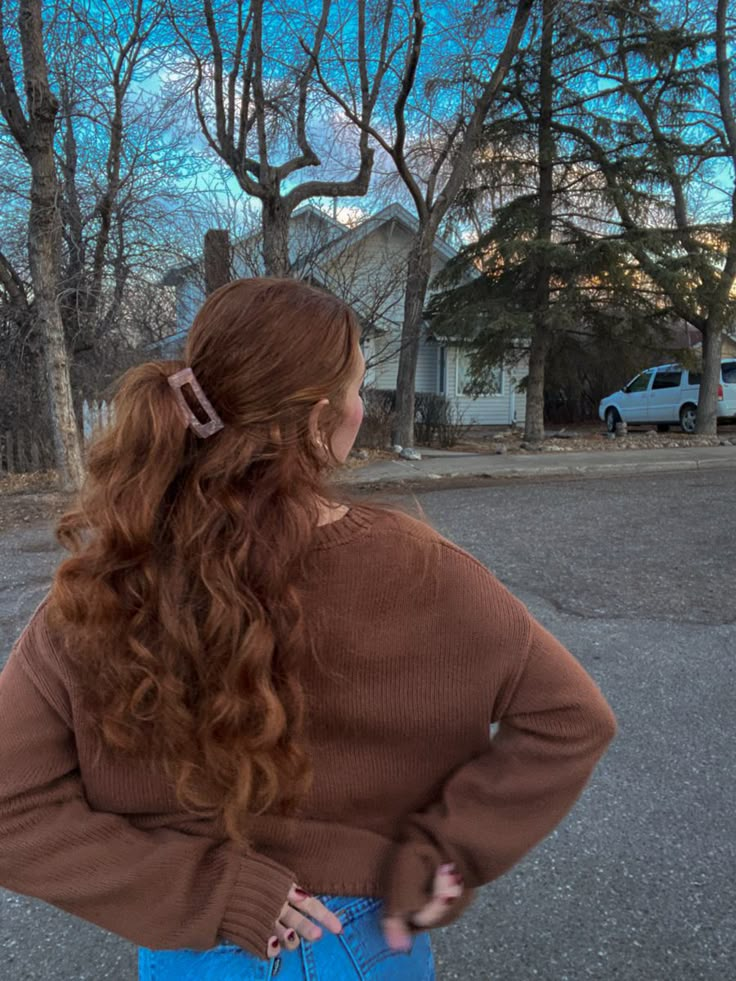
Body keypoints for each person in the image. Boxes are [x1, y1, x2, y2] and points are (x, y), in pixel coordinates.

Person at [0, 277, 616, 981]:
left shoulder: (104, 583)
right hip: (364, 941)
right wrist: (445, 851)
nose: (363, 408)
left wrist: (208, 891)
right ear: (320, 418)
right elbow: (572, 719)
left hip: (193, 952)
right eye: (358, 387)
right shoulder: (427, 571)